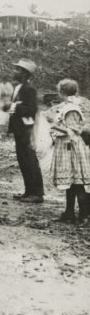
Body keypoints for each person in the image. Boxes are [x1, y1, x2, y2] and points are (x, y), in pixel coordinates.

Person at [48, 79, 90, 224]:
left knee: (77, 182)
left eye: (60, 91)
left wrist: (55, 126)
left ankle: (84, 215)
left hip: (72, 148)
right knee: (70, 183)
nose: (58, 94)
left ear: (63, 92)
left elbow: (74, 131)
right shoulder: (66, 106)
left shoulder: (71, 108)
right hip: (66, 147)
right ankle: (69, 213)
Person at [5, 58, 45, 203]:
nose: (15, 71)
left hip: (26, 130)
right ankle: (29, 192)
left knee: (30, 161)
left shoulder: (29, 89)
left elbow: (31, 110)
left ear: (25, 73)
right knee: (23, 161)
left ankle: (37, 194)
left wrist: (14, 106)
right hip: (19, 129)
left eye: (18, 69)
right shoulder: (19, 87)